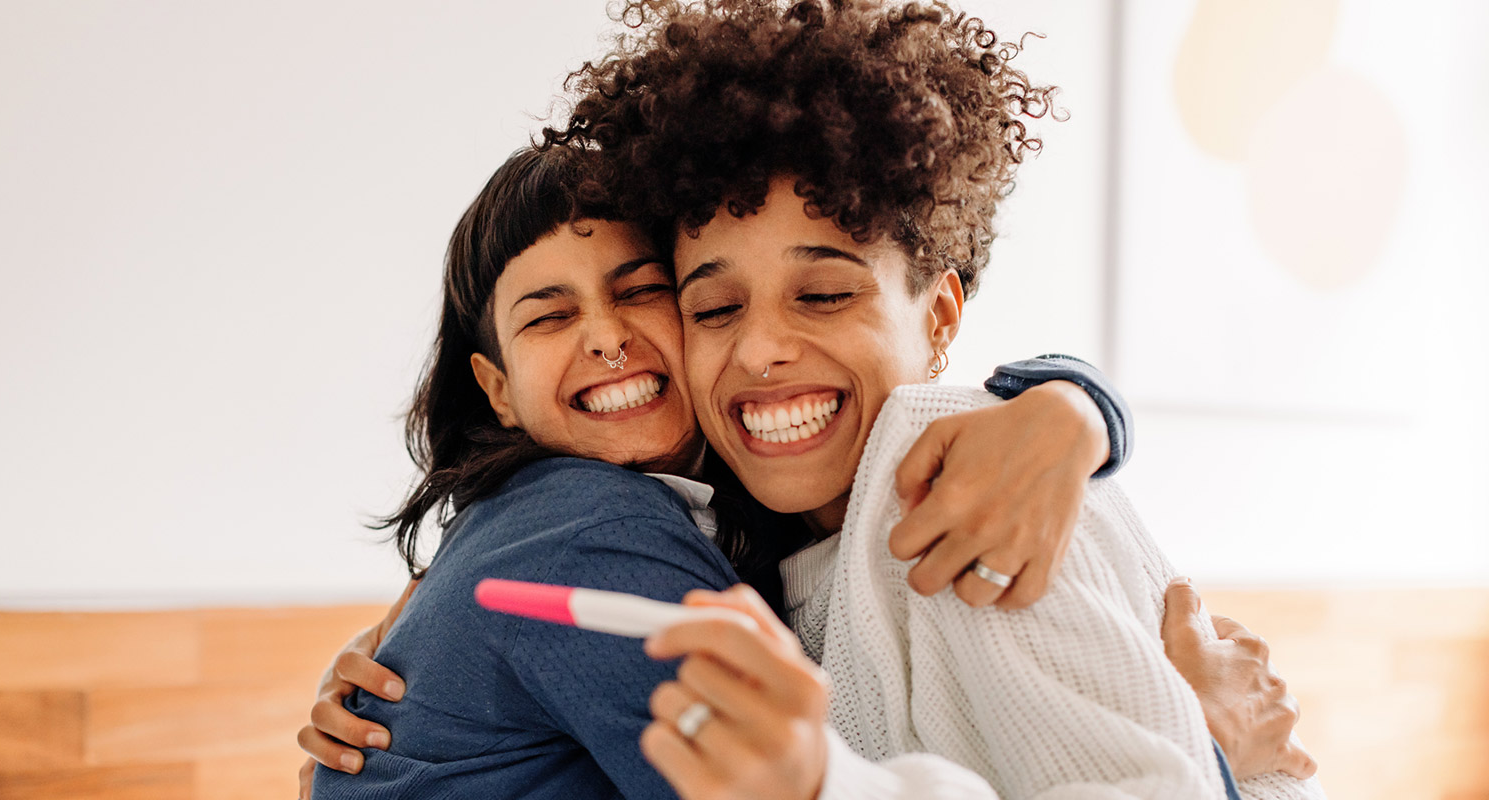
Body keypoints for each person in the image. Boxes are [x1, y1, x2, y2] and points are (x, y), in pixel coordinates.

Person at [537, 0, 1323, 798]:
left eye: (823, 295)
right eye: (714, 309)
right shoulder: (753, 535)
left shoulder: (969, 488)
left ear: (939, 314)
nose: (760, 347)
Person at [306, 143, 1135, 799]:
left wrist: (1076, 403)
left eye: (642, 292)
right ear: (498, 391)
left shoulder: (703, 512)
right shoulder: (596, 528)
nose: (605, 337)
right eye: (551, 317)